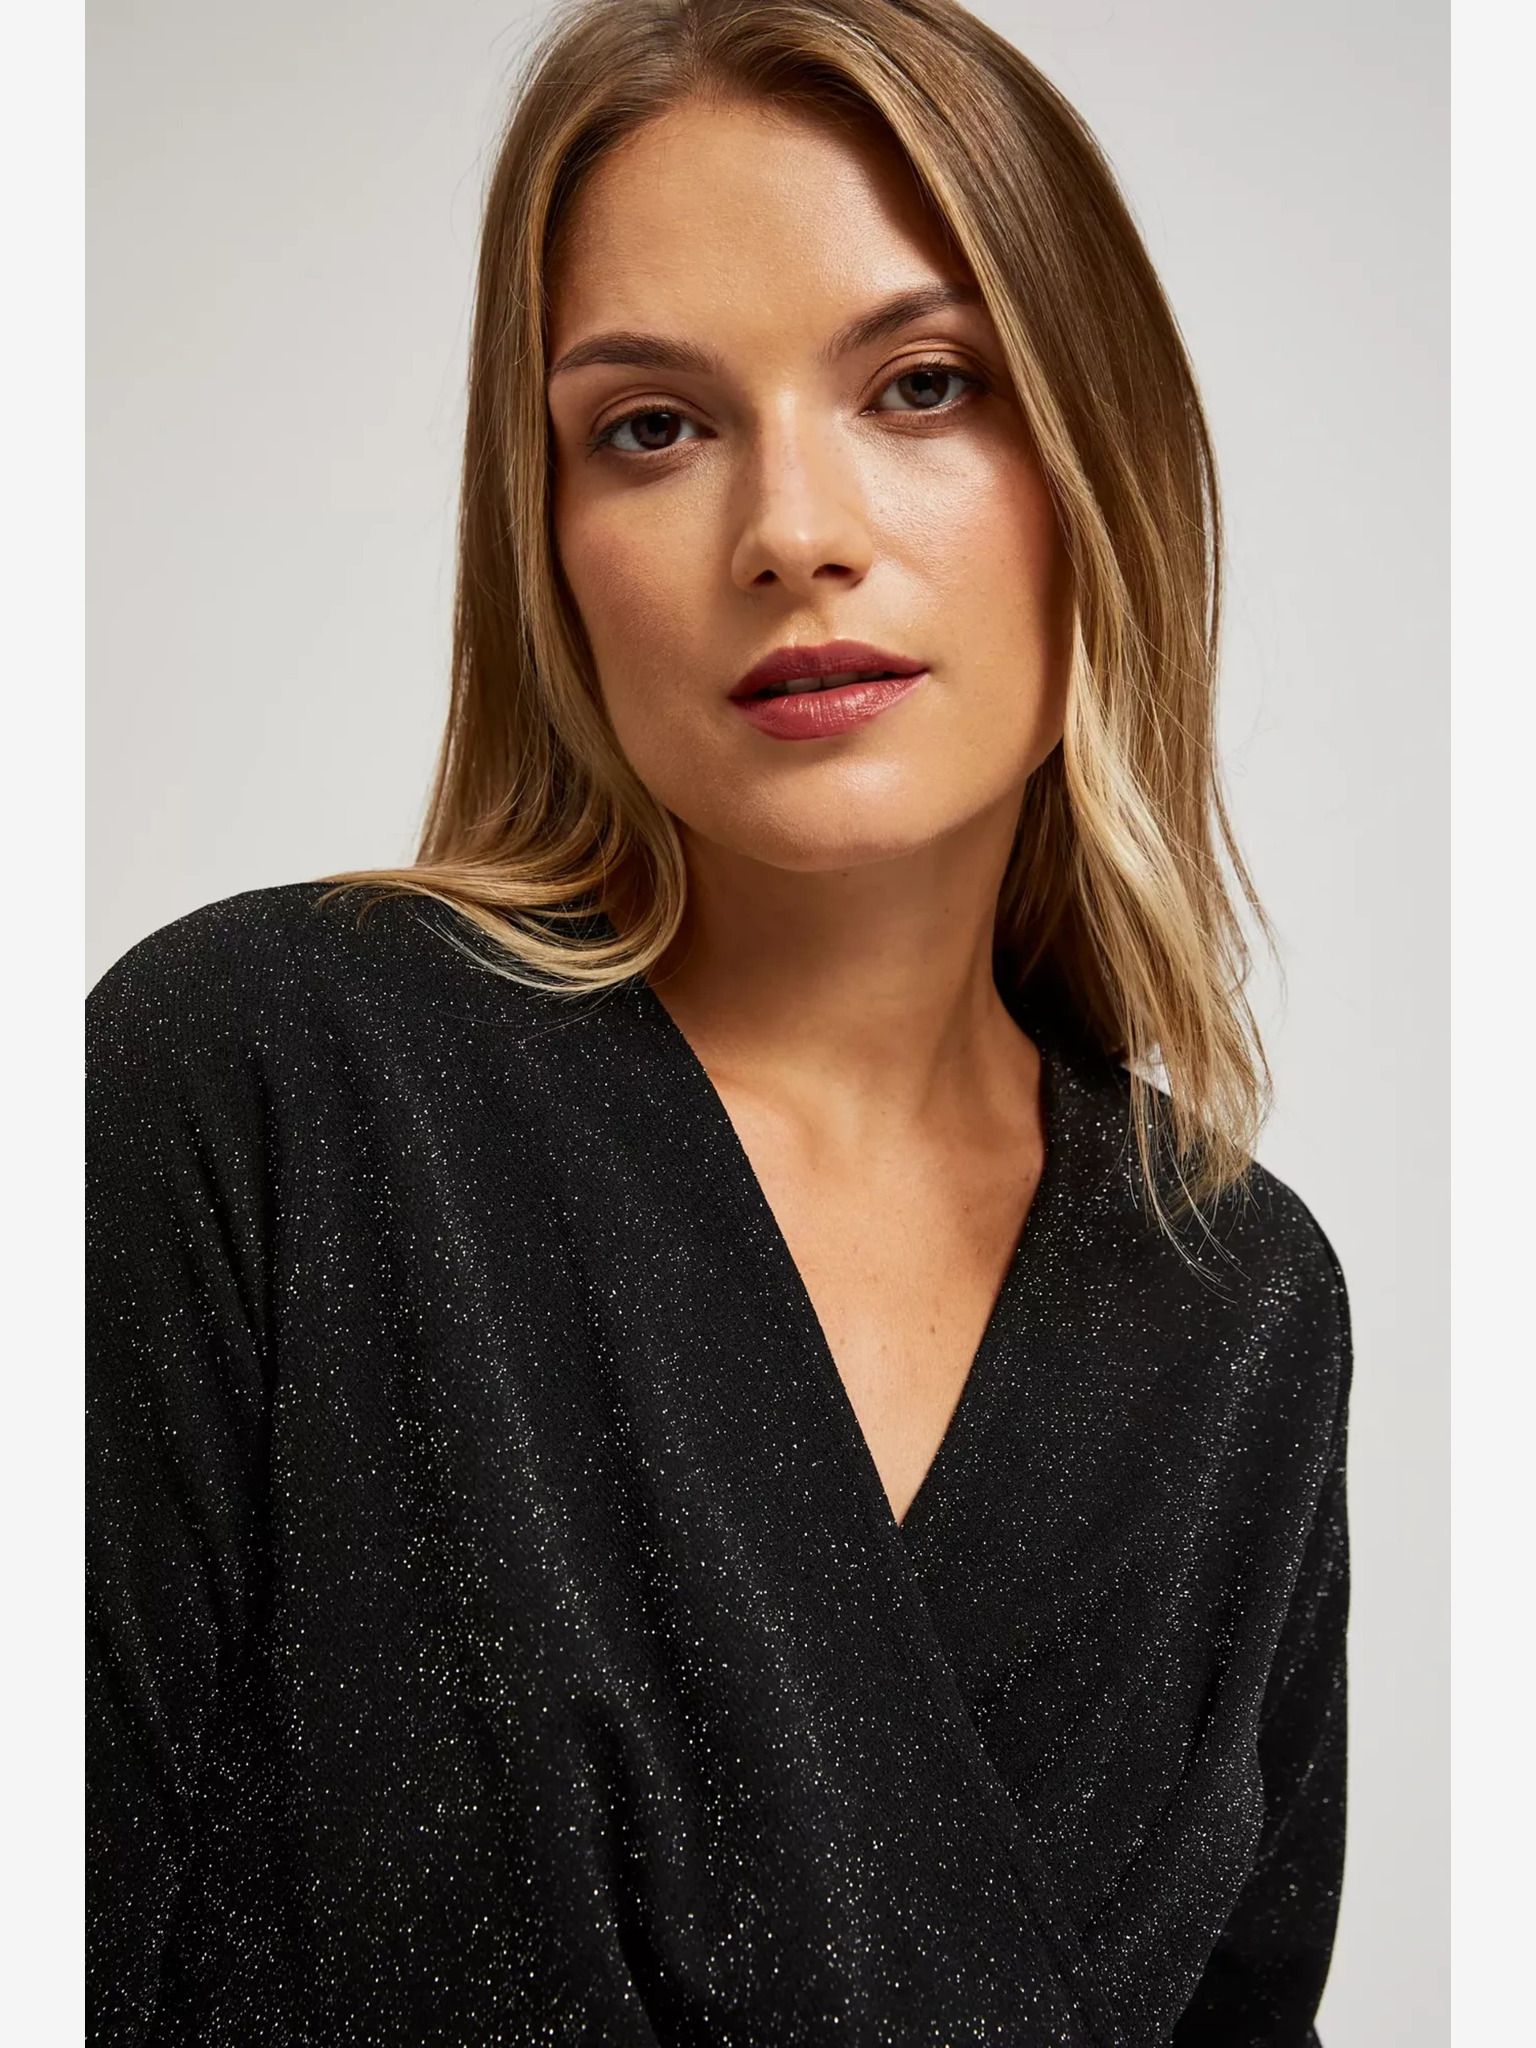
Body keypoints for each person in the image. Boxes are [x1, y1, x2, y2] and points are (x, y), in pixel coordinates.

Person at [86, 2, 1352, 2042]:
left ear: (1096, 457)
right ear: (548, 538)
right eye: (652, 428)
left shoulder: (1238, 1303)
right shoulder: (264, 1081)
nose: (791, 530)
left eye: (922, 385)